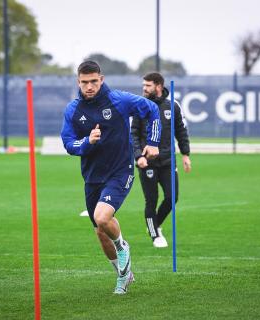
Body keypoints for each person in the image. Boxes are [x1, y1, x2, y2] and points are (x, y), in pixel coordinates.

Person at [61, 61, 161, 294]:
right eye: (84, 82)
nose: (89, 86)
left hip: (120, 171)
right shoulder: (72, 110)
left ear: (101, 79)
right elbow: (68, 143)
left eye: (94, 81)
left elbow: (152, 111)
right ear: (78, 82)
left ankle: (122, 246)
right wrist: (88, 141)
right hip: (92, 176)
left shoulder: (119, 100)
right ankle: (124, 274)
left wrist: (153, 143)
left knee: (102, 217)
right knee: (100, 230)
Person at [131, 72, 191, 248]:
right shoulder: (140, 107)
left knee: (172, 198)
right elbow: (133, 134)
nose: (144, 88)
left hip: (168, 162)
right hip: (147, 162)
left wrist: (185, 154)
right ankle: (155, 235)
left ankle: (155, 224)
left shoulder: (173, 106)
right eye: (144, 85)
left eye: (148, 85)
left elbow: (181, 131)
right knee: (151, 201)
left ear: (158, 86)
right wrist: (138, 156)